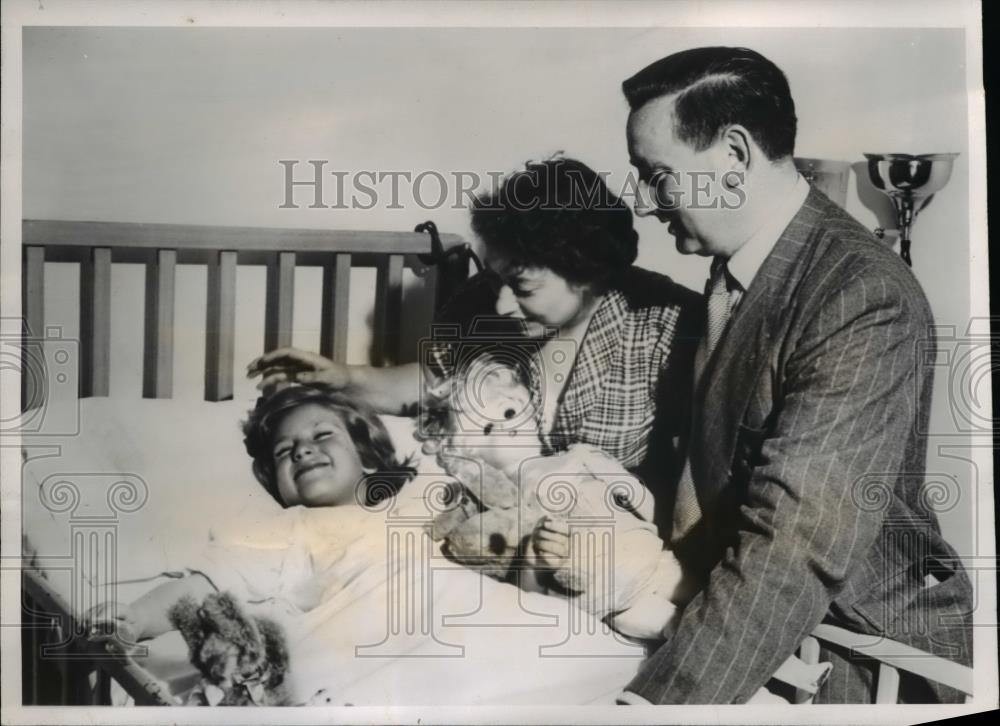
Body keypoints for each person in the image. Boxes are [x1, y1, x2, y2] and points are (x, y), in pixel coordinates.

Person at [617, 46, 972, 704]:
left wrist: (655, 707)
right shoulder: (736, 275)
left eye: (654, 173)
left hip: (860, 648)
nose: (641, 200)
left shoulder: (862, 296)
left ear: (733, 157)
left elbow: (793, 544)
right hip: (748, 617)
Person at [247, 157, 701, 493]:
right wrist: (344, 378)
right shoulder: (483, 303)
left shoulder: (665, 327)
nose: (501, 303)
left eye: (522, 287)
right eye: (496, 279)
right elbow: (429, 382)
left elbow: (697, 476)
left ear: (587, 271)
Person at [84, 385, 416, 653]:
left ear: (368, 456)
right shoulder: (291, 528)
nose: (301, 451)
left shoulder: (414, 508)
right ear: (280, 488)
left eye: (321, 435)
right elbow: (205, 585)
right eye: (285, 451)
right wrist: (138, 618)